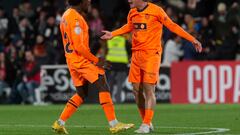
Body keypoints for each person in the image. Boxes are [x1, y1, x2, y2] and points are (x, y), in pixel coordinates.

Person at [101, 0, 202, 133]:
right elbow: (129, 26)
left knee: (149, 89)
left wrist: (192, 39)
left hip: (151, 54)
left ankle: (146, 124)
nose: (128, 0)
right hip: (136, 54)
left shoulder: (156, 11)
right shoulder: (132, 12)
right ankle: (146, 121)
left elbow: (173, 26)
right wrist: (113, 34)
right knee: (136, 91)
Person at [52, 0, 134, 134]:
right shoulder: (76, 18)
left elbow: (73, 41)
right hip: (80, 60)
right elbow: (79, 47)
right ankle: (114, 124)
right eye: (87, 0)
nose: (89, 2)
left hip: (71, 60)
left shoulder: (66, 15)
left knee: (82, 93)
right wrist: (96, 60)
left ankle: (59, 123)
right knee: (102, 82)